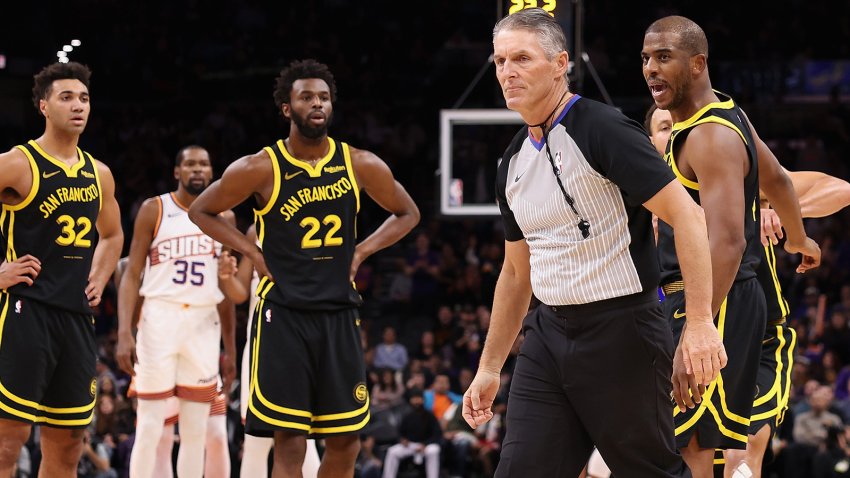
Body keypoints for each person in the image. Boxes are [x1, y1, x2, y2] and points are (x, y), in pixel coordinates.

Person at [463, 8, 723, 477]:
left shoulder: (603, 129)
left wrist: (701, 321)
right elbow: (516, 273)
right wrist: (489, 367)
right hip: (547, 336)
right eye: (500, 61)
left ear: (560, 63)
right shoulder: (512, 163)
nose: (507, 72)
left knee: (652, 471)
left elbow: (689, 217)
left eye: (521, 58)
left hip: (622, 330)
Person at [188, 58, 420, 477]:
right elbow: (202, 210)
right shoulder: (260, 166)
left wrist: (362, 250)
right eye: (307, 97)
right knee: (290, 443)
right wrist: (252, 253)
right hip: (285, 315)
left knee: (347, 442)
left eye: (324, 97)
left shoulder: (358, 163)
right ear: (286, 108)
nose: (318, 104)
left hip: (338, 312)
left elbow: (408, 212)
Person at [641, 15, 821, 477]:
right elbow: (777, 178)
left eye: (664, 57)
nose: (650, 69)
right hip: (713, 298)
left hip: (710, 297)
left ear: (698, 63)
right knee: (699, 447)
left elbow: (728, 242)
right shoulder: (728, 114)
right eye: (646, 58)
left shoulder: (709, 136)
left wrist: (697, 325)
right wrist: (799, 239)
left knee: (693, 451)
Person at [646, 104, 850, 477]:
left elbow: (839, 189)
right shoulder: (646, 202)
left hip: (760, 336)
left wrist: (774, 208)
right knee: (690, 455)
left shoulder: (742, 184)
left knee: (743, 454)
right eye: (663, 126)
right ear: (651, 142)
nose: (674, 130)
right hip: (680, 330)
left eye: (677, 123)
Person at [0, 61, 123, 478]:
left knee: (69, 445)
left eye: (84, 98)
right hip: (25, 313)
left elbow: (111, 235)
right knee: (6, 442)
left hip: (75, 318)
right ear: (43, 106)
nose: (78, 106)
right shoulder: (18, 163)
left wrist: (101, 275)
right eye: (66, 97)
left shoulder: (99, 174)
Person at [115, 145, 237, 478]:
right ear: (177, 172)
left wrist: (230, 347)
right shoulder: (154, 209)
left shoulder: (224, 217)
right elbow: (131, 274)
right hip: (159, 320)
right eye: (190, 164)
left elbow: (226, 290)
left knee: (196, 430)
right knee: (151, 426)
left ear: (212, 173)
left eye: (204, 164)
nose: (198, 169)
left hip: (204, 322)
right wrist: (125, 331)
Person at [215, 226, 322, 477]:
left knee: (303, 438)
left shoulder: (311, 224)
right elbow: (240, 293)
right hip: (260, 346)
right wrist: (227, 277)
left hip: (300, 343)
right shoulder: (256, 230)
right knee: (255, 439)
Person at [381, 388, 442, 478]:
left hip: (426, 446)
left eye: (418, 398)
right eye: (414, 398)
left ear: (423, 400)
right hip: (410, 445)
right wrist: (402, 440)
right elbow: (400, 433)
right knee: (392, 451)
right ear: (410, 400)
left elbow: (437, 434)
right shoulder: (407, 415)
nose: (416, 401)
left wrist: (425, 444)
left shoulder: (429, 415)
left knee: (434, 450)